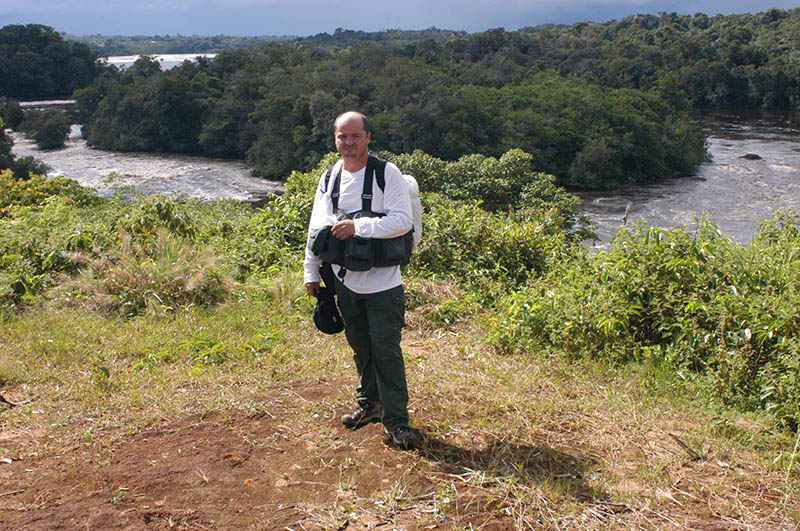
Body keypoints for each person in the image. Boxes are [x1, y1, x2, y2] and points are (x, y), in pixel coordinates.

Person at [303, 111, 417, 449]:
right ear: (335, 139)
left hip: (383, 284)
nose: (349, 142)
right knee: (361, 347)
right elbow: (316, 227)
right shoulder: (330, 177)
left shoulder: (386, 173)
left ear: (368, 136)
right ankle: (370, 405)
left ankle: (397, 422)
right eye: (342, 136)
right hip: (344, 280)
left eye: (355, 136)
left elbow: (402, 221)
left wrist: (358, 226)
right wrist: (311, 270)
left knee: (386, 351)